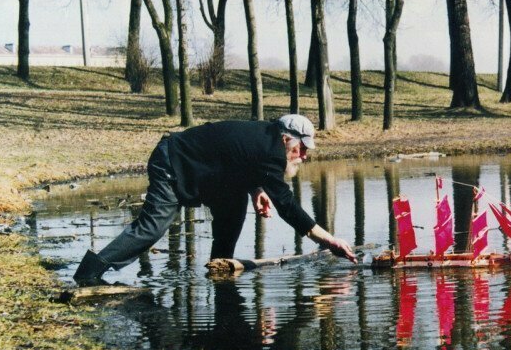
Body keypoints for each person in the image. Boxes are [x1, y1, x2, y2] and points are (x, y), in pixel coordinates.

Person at [73, 114, 357, 283]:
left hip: (203, 172)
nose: (304, 156)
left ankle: (219, 269)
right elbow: (288, 207)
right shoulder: (271, 150)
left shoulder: (266, 138)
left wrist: (256, 188)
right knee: (153, 227)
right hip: (174, 163)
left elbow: (239, 159)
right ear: (286, 140)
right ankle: (88, 273)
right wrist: (329, 241)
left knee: (233, 207)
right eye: (302, 149)